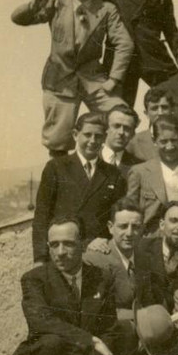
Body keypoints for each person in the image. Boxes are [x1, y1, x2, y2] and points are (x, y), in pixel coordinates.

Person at [11, 0, 134, 155]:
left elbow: (125, 43)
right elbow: (18, 18)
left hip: (94, 79)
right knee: (58, 140)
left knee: (120, 117)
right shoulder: (57, 4)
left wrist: (114, 79)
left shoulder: (106, 9)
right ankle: (61, 182)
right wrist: (33, 6)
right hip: (60, 79)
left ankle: (110, 174)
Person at [14, 217, 119, 355]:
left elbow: (109, 326)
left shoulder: (101, 278)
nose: (60, 252)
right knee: (53, 341)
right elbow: (41, 321)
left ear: (82, 243)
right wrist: (91, 340)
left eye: (68, 243)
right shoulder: (34, 279)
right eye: (54, 244)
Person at [32, 112, 126, 263]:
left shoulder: (113, 173)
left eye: (98, 136)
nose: (93, 141)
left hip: (100, 253)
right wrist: (39, 258)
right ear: (75, 135)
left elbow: (116, 218)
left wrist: (103, 242)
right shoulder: (56, 167)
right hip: (62, 252)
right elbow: (42, 216)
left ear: (104, 138)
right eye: (87, 135)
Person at [126, 114, 178, 235]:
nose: (169, 146)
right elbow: (129, 211)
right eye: (163, 141)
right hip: (150, 239)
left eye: (174, 140)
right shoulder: (140, 172)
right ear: (154, 141)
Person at [127, 87, 176, 162]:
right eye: (154, 108)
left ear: (172, 110)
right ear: (146, 113)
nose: (160, 113)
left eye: (164, 107)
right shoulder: (134, 142)